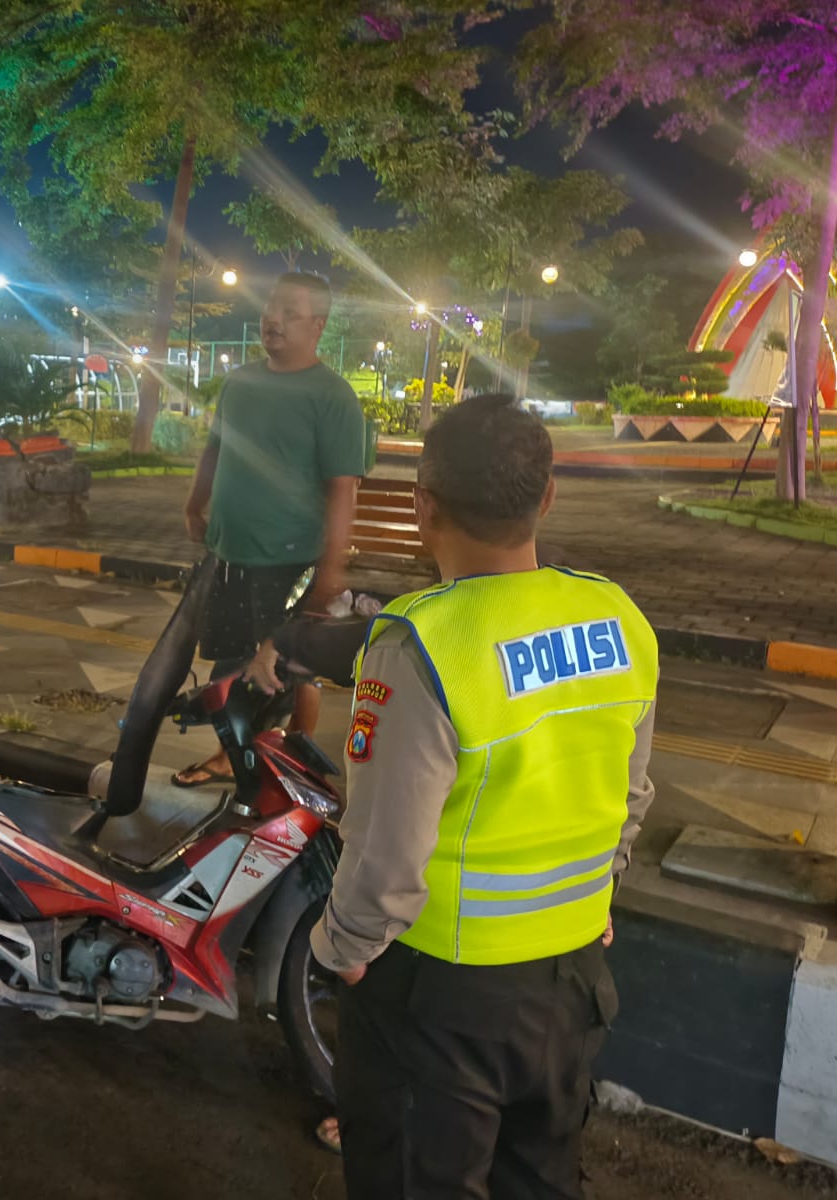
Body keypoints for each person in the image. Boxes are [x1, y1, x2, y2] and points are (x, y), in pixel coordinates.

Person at [276, 394, 658, 1198]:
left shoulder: (421, 646)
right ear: (546, 497)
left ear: (423, 505)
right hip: (573, 984)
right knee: (539, 1180)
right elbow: (631, 793)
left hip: (443, 1000)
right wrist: (598, 893)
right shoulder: (617, 617)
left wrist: (339, 953)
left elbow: (385, 853)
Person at [176, 271, 366, 789]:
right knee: (232, 660)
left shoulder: (332, 397)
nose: (273, 320)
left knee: (291, 668)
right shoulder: (240, 381)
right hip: (230, 553)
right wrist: (196, 502)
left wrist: (330, 569)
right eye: (270, 309)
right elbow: (215, 448)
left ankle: (298, 760)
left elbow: (342, 489)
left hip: (291, 559)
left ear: (318, 325)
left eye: (290, 312)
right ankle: (228, 753)